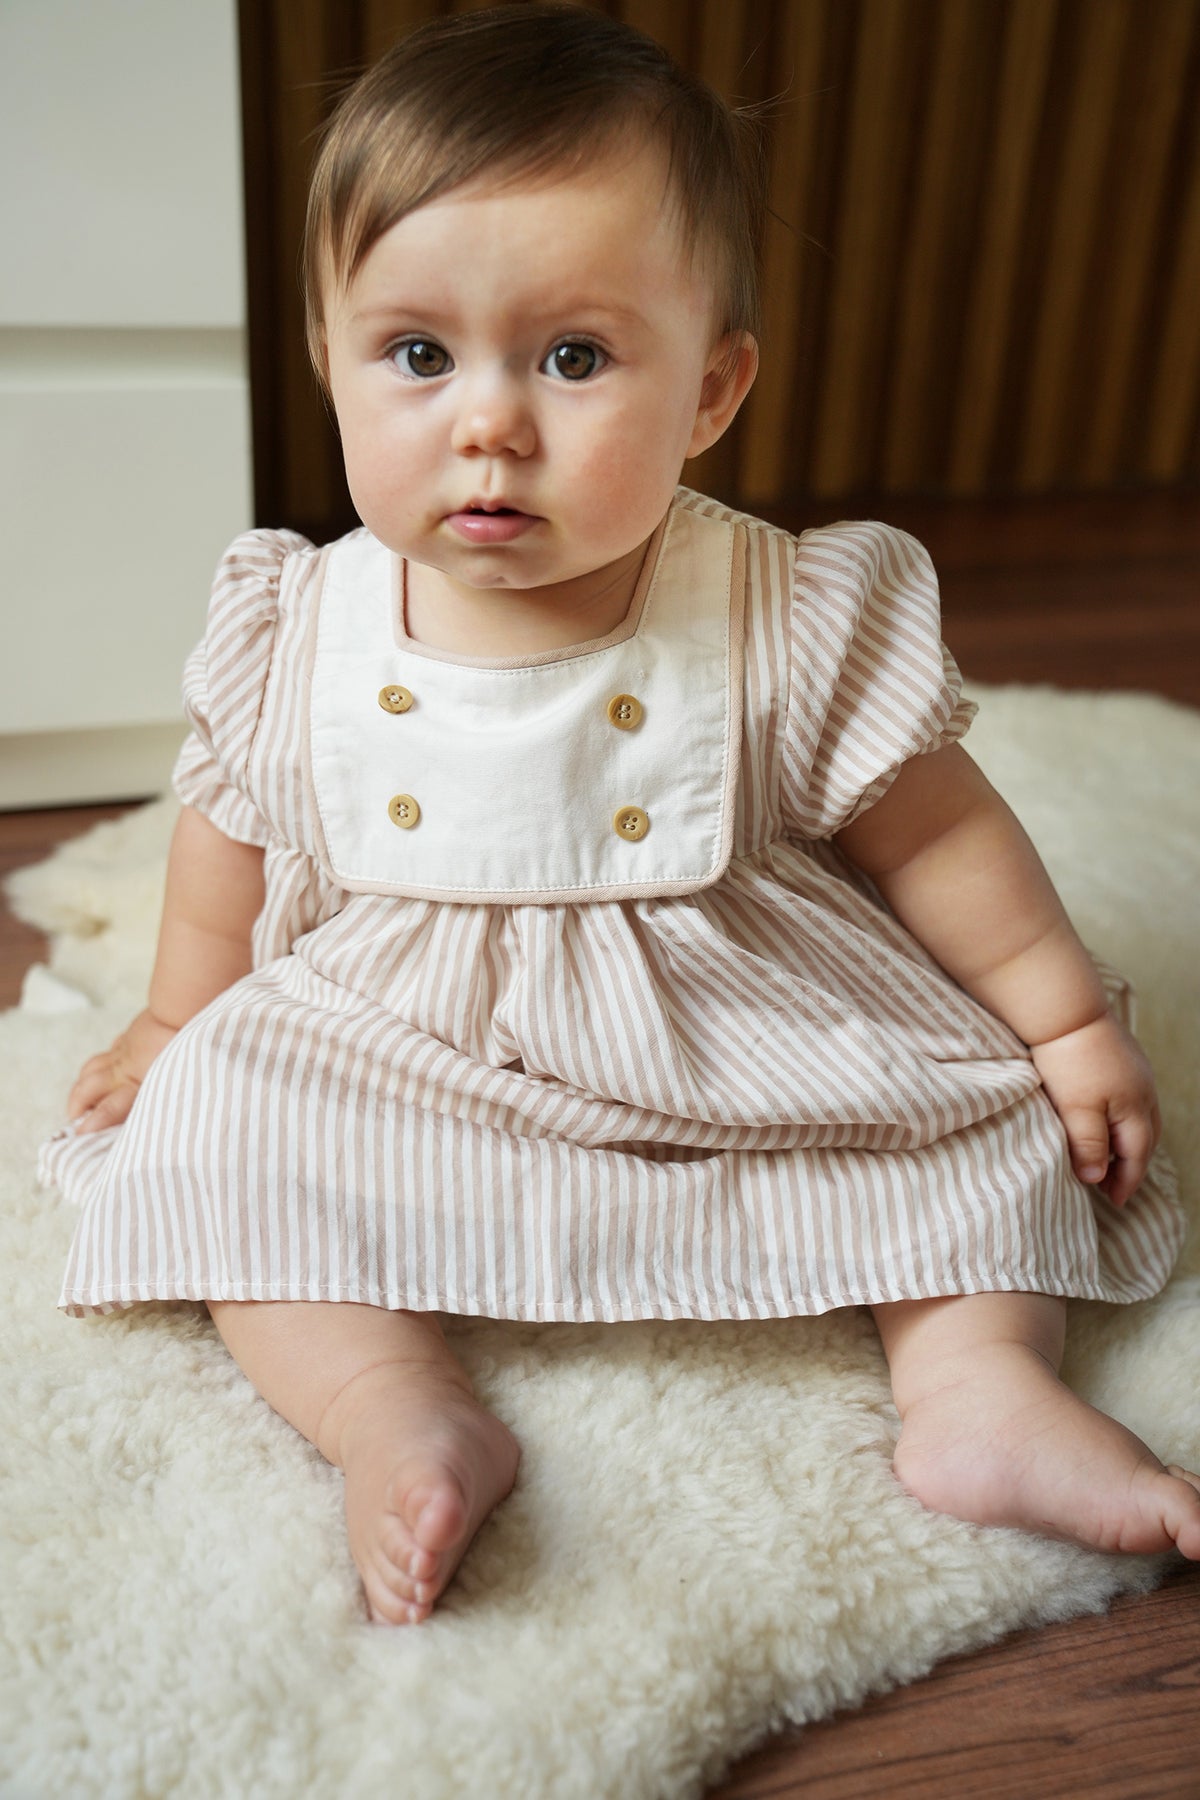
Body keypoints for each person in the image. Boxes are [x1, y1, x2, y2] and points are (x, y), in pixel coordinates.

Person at [46, 3, 1199, 1627]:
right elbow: (226, 830)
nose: (490, 422)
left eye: (574, 357)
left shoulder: (779, 612)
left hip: (730, 1011)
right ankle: (391, 1407)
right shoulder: (296, 623)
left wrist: (1066, 1023)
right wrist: (179, 1014)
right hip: (401, 1029)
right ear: (328, 358)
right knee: (220, 1137)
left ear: (713, 391)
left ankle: (978, 1392)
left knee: (985, 1129)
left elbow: (935, 833)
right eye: (417, 355)